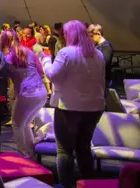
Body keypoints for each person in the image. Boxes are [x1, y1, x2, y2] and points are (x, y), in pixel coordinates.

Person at [40, 20, 105, 188]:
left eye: (65, 34)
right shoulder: (98, 54)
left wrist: (46, 60)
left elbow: (53, 76)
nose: (64, 36)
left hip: (69, 107)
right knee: (84, 147)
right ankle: (88, 184)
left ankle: (66, 185)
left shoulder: (66, 53)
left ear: (70, 35)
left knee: (64, 150)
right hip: (94, 107)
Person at [0, 30, 47, 160]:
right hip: (41, 93)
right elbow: (41, 72)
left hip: (26, 94)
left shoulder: (8, 58)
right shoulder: (29, 52)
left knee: (17, 124)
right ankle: (31, 154)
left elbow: (1, 77)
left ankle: (24, 155)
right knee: (25, 123)